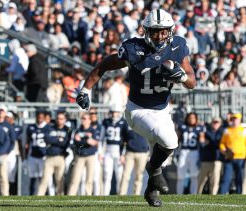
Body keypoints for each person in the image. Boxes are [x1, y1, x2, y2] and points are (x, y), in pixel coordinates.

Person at [76, 9, 196, 207]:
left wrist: (182, 76)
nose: (159, 36)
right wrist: (85, 90)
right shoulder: (133, 48)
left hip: (162, 111)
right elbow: (103, 65)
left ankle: (151, 190)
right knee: (170, 141)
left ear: (171, 31)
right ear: (146, 31)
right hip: (137, 109)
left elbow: (192, 82)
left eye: (163, 31)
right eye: (155, 31)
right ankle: (154, 171)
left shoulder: (178, 46)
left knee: (162, 155)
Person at [219, 112, 246, 194]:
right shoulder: (227, 130)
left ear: (239, 120)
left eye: (236, 119)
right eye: (233, 119)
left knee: (239, 179)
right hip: (229, 158)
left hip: (241, 158)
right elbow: (222, 143)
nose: (234, 120)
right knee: (226, 178)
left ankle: (240, 196)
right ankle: (222, 195)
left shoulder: (245, 131)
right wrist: (224, 151)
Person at [37, 112, 71, 196]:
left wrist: (55, 140)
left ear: (65, 120)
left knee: (60, 180)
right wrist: (59, 140)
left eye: (61, 119)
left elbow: (66, 143)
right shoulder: (50, 128)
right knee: (44, 179)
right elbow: (47, 139)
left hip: (60, 157)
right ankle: (38, 198)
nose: (59, 120)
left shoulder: (67, 130)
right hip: (49, 158)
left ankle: (60, 200)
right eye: (58, 118)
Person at [68, 113, 98, 196]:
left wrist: (81, 141)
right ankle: (71, 196)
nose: (83, 120)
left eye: (85, 118)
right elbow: (76, 142)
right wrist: (86, 141)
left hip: (90, 156)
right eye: (82, 118)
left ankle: (88, 195)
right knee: (75, 178)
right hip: (80, 156)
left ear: (89, 120)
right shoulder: (78, 130)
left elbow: (95, 143)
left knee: (89, 179)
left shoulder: (93, 130)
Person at [176, 112, 205, 194]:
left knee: (194, 175)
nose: (191, 119)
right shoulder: (182, 126)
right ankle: (179, 194)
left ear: (196, 119)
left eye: (193, 118)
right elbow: (177, 138)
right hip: (184, 151)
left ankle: (193, 194)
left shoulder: (199, 128)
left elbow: (202, 141)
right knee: (180, 174)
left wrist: (202, 139)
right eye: (190, 117)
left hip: (194, 152)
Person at [102, 106, 128, 196]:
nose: (114, 114)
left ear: (119, 113)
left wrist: (123, 154)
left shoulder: (123, 123)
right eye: (112, 112)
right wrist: (101, 152)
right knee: (107, 174)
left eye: (115, 112)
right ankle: (105, 195)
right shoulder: (106, 122)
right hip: (108, 150)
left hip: (118, 151)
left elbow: (125, 139)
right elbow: (102, 138)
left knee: (119, 175)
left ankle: (119, 195)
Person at [119, 128, 150, 195]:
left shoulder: (145, 121)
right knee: (125, 175)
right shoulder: (127, 122)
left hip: (143, 153)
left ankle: (136, 194)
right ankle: (121, 194)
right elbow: (122, 139)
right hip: (129, 153)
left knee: (139, 176)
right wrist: (121, 154)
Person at [26, 111, 50, 195]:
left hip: (43, 156)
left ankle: (45, 196)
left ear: (44, 118)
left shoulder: (48, 128)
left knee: (42, 178)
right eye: (38, 117)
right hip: (33, 155)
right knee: (32, 177)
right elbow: (27, 142)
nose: (39, 119)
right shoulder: (31, 127)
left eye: (41, 117)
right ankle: (31, 195)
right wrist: (25, 156)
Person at [198, 116, 224, 195]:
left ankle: (213, 196)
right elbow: (202, 143)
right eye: (214, 122)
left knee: (215, 181)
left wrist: (209, 142)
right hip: (206, 159)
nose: (215, 124)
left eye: (217, 122)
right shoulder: (206, 131)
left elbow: (214, 143)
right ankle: (197, 195)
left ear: (220, 123)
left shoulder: (222, 132)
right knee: (201, 180)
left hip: (217, 159)